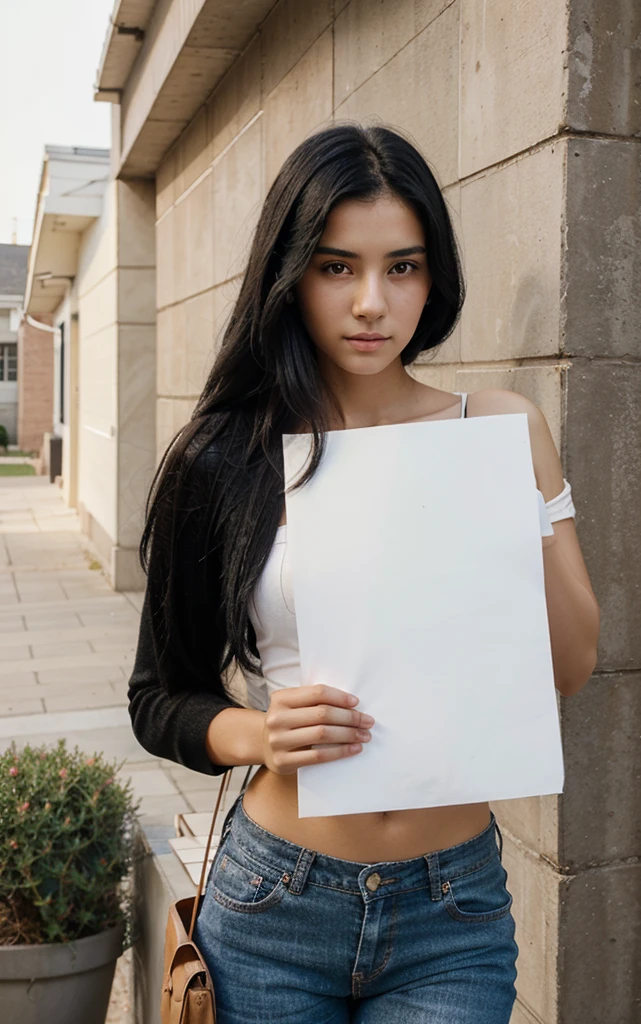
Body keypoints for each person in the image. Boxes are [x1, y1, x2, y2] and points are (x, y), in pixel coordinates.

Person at [128, 122, 600, 1023]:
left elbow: (571, 664)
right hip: (274, 902)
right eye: (337, 267)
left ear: (436, 276)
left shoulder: (495, 429)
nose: (372, 303)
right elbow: (159, 696)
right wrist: (258, 733)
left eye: (403, 266)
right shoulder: (228, 457)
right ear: (291, 274)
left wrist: (510, 478)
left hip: (450, 911)